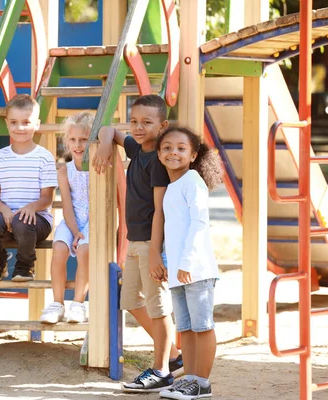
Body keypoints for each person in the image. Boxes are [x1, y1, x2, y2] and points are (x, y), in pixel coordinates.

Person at [93, 95, 182, 392]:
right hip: (134, 241)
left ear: (163, 125)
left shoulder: (157, 161)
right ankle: (172, 356)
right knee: (130, 301)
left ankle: (162, 370)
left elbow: (160, 211)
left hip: (151, 244)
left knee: (158, 308)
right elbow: (108, 130)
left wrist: (156, 252)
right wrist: (106, 144)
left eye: (147, 122)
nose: (138, 127)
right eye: (134, 121)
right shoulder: (136, 147)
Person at [156, 126, 223, 399]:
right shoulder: (173, 187)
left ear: (193, 155)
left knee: (202, 325)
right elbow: (173, 230)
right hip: (178, 272)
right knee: (185, 328)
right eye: (167, 148)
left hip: (195, 269)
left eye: (181, 148)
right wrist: (166, 263)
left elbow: (198, 223)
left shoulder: (193, 180)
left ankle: (202, 383)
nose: (173, 152)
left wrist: (186, 262)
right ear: (159, 153)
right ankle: (190, 380)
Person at [0, 94, 57, 281]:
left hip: (36, 221)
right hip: (6, 218)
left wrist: (31, 207)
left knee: (22, 222)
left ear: (37, 124)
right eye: (14, 122)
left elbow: (47, 198)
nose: (19, 128)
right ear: (7, 123)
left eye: (26, 122)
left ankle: (25, 266)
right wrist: (4, 210)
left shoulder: (44, 157)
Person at [40, 112, 92, 324]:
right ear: (67, 141)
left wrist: (84, 233)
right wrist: (74, 230)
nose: (78, 145)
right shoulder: (64, 171)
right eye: (73, 140)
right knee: (59, 248)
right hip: (72, 219)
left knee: (84, 251)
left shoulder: (98, 169)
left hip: (94, 220)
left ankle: (78, 304)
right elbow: (68, 207)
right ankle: (57, 303)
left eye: (83, 139)